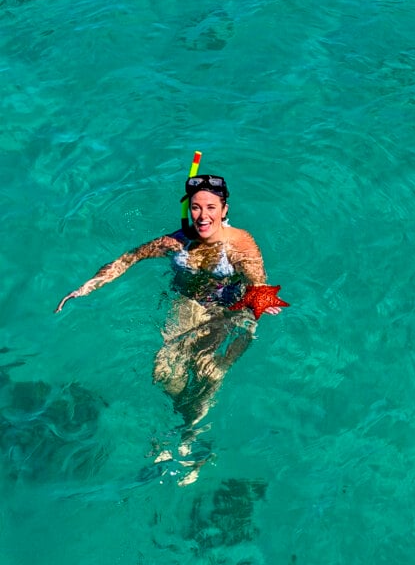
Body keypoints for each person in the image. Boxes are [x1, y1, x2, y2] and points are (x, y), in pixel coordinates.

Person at [55, 174, 281, 481]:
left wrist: (245, 330)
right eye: (197, 208)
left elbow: (259, 288)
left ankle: (191, 438)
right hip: (186, 304)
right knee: (162, 370)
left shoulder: (241, 245)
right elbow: (130, 258)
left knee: (206, 371)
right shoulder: (177, 241)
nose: (203, 215)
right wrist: (85, 288)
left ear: (225, 209)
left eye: (211, 207)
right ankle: (185, 423)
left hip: (226, 311)